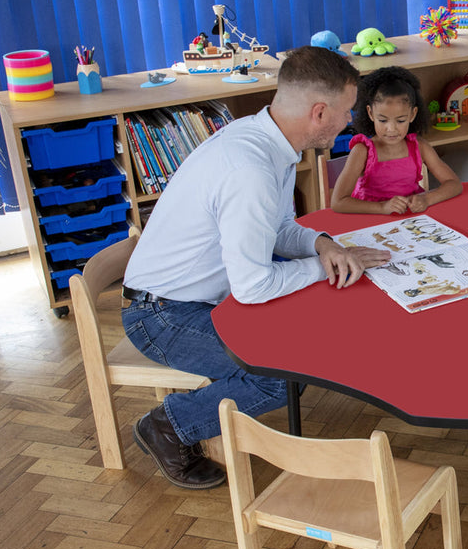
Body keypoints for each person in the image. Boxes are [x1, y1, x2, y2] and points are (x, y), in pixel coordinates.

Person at [122, 46, 391, 489]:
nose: (350, 122)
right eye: (346, 112)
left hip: (200, 295)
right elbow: (252, 287)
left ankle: (204, 407)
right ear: (319, 112)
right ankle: (168, 427)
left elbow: (279, 227)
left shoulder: (266, 138)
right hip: (162, 316)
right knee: (280, 375)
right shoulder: (249, 169)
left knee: (305, 317)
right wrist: (321, 267)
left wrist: (321, 245)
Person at [330, 66, 462, 214]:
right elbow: (338, 202)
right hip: (369, 222)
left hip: (409, 221)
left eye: (400, 121)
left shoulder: (420, 146)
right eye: (383, 120)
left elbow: (454, 184)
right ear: (370, 113)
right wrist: (382, 207)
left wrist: (427, 199)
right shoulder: (362, 151)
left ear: (412, 114)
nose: (391, 129)